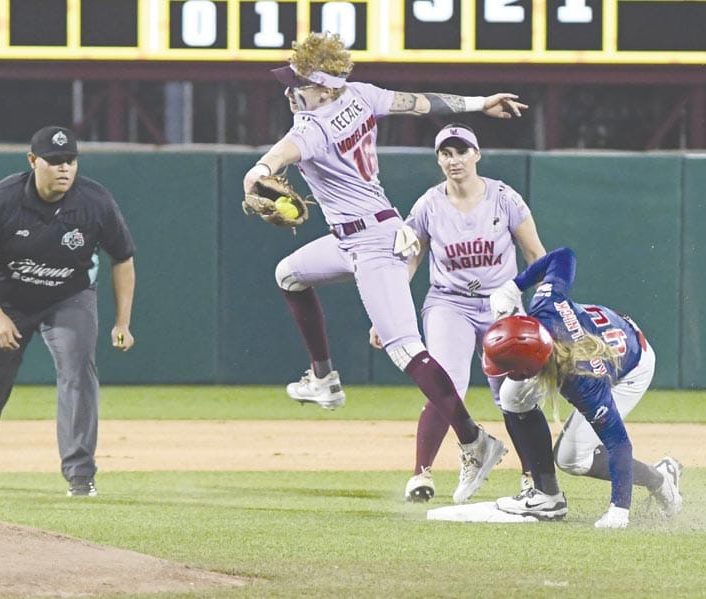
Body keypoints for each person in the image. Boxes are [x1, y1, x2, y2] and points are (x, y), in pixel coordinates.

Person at [242, 32, 529, 503]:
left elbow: (267, 165)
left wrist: (256, 178)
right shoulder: (362, 95)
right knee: (288, 274)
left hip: (373, 244)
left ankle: (475, 440)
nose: (290, 91)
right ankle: (324, 378)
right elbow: (426, 103)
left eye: (298, 84)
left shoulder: (311, 128)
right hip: (359, 235)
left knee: (405, 352)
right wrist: (480, 103)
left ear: (323, 87)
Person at [0, 125, 136, 497]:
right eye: (55, 161)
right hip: (5, 300)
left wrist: (123, 321)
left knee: (78, 371)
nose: (64, 168)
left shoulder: (95, 201)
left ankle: (81, 475)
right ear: (33, 161)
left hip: (69, 297)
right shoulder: (0, 199)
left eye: (71, 161)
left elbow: (123, 258)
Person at [369, 123, 547, 503]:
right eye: (446, 154)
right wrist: (387, 311)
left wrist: (548, 304)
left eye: (461, 151)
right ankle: (422, 472)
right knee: (444, 381)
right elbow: (409, 260)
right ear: (439, 159)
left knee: (513, 393)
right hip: (449, 302)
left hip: (502, 303)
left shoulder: (504, 198)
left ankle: (533, 479)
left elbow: (535, 254)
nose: (454, 160)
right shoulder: (428, 205)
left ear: (476, 154)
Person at [482, 247, 683, 527]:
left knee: (571, 459)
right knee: (511, 396)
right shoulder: (544, 303)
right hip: (597, 332)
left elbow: (618, 442)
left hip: (632, 365)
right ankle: (546, 496)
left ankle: (660, 478)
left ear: (529, 369)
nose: (502, 371)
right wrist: (513, 287)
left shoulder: (583, 380)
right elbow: (563, 255)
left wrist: (619, 509)